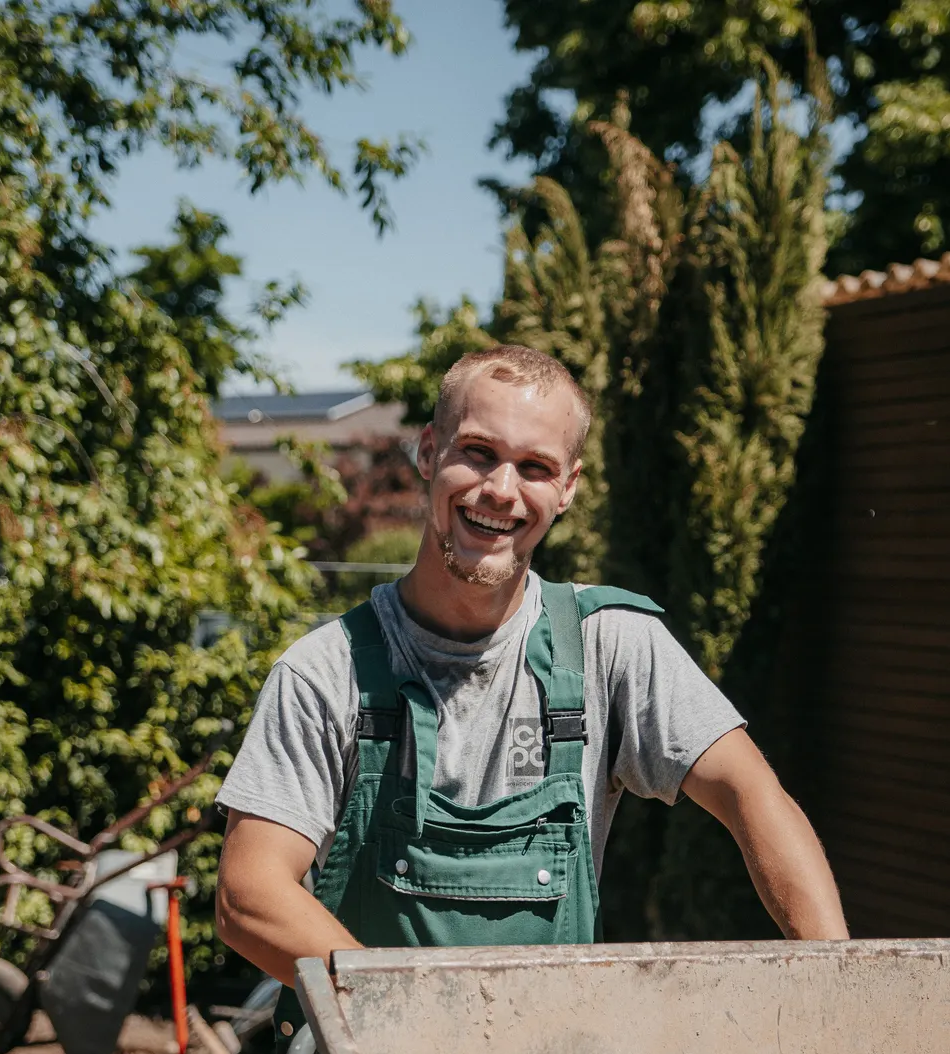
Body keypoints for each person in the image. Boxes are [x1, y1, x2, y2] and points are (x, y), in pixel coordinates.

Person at [213, 344, 848, 995]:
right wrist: (408, 1015)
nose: (501, 490)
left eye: (536, 466)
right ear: (429, 452)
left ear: (567, 487)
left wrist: (843, 984)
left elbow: (753, 795)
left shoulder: (609, 648)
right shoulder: (327, 672)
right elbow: (249, 895)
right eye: (479, 452)